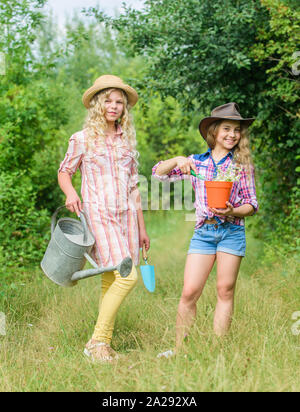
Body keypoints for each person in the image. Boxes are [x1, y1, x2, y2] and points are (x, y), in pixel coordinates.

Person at [152, 102, 258, 357]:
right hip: (204, 233)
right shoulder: (196, 163)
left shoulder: (241, 166)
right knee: (189, 291)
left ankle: (217, 351)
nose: (232, 134)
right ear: (214, 131)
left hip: (231, 231)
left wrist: (232, 210)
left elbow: (252, 204)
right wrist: (178, 159)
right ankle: (180, 350)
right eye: (226, 128)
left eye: (236, 130)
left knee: (225, 289)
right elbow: (158, 174)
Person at [58, 75, 150, 362]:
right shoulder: (82, 139)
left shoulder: (127, 141)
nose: (114, 106)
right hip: (98, 213)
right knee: (127, 276)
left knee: (112, 277)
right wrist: (71, 193)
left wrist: (143, 228)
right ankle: (96, 341)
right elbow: (65, 171)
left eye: (119, 102)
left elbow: (134, 187)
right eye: (108, 100)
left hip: (126, 217)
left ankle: (103, 346)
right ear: (98, 104)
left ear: (124, 108)